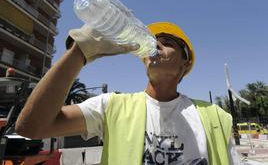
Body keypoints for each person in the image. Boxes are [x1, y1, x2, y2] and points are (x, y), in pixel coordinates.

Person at [15, 22, 239, 165]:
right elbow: (31, 127)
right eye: (152, 42)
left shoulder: (214, 116)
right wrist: (79, 53)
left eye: (167, 42)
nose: (156, 46)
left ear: (184, 62)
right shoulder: (111, 106)